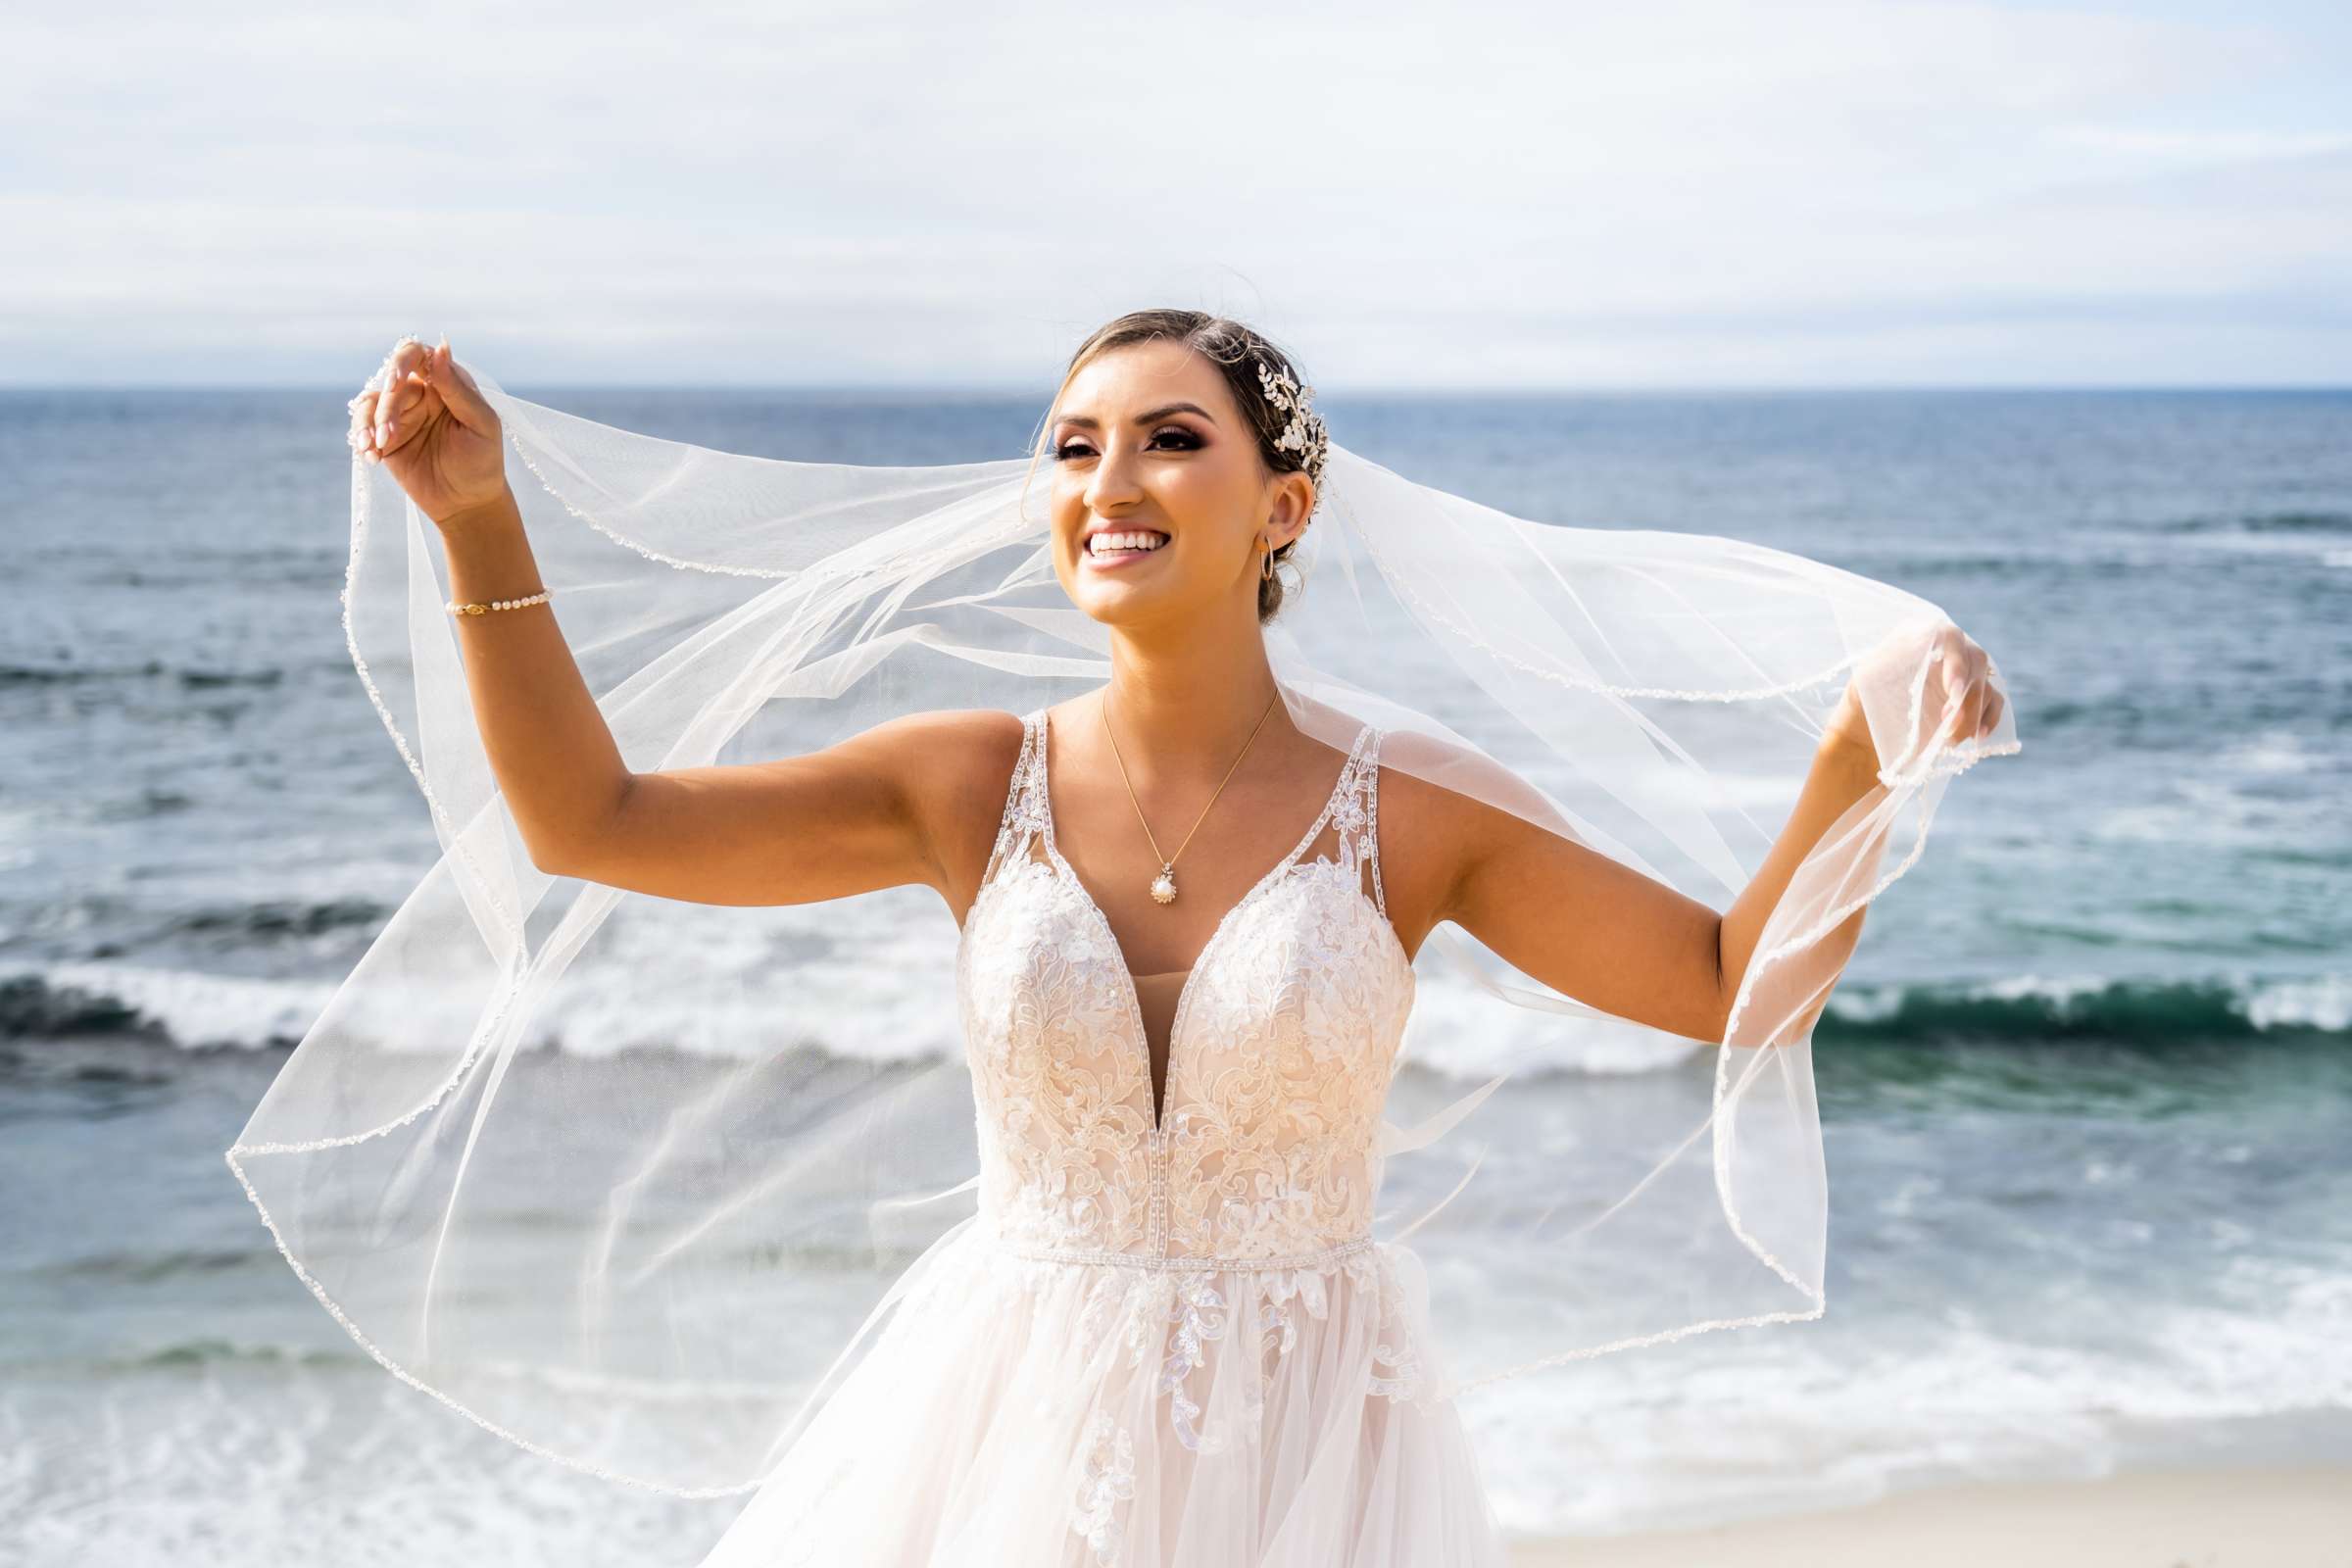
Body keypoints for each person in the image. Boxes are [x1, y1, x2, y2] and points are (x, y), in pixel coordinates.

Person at [238, 310, 2009, 1567]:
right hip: (1006, 1414)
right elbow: (590, 824)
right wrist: (477, 522)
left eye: (1173, 436)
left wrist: (1857, 764)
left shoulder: (1417, 806)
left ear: (1283, 507)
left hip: (1314, 1442)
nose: (1112, 476)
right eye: (1076, 444)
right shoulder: (965, 780)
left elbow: (1721, 990)